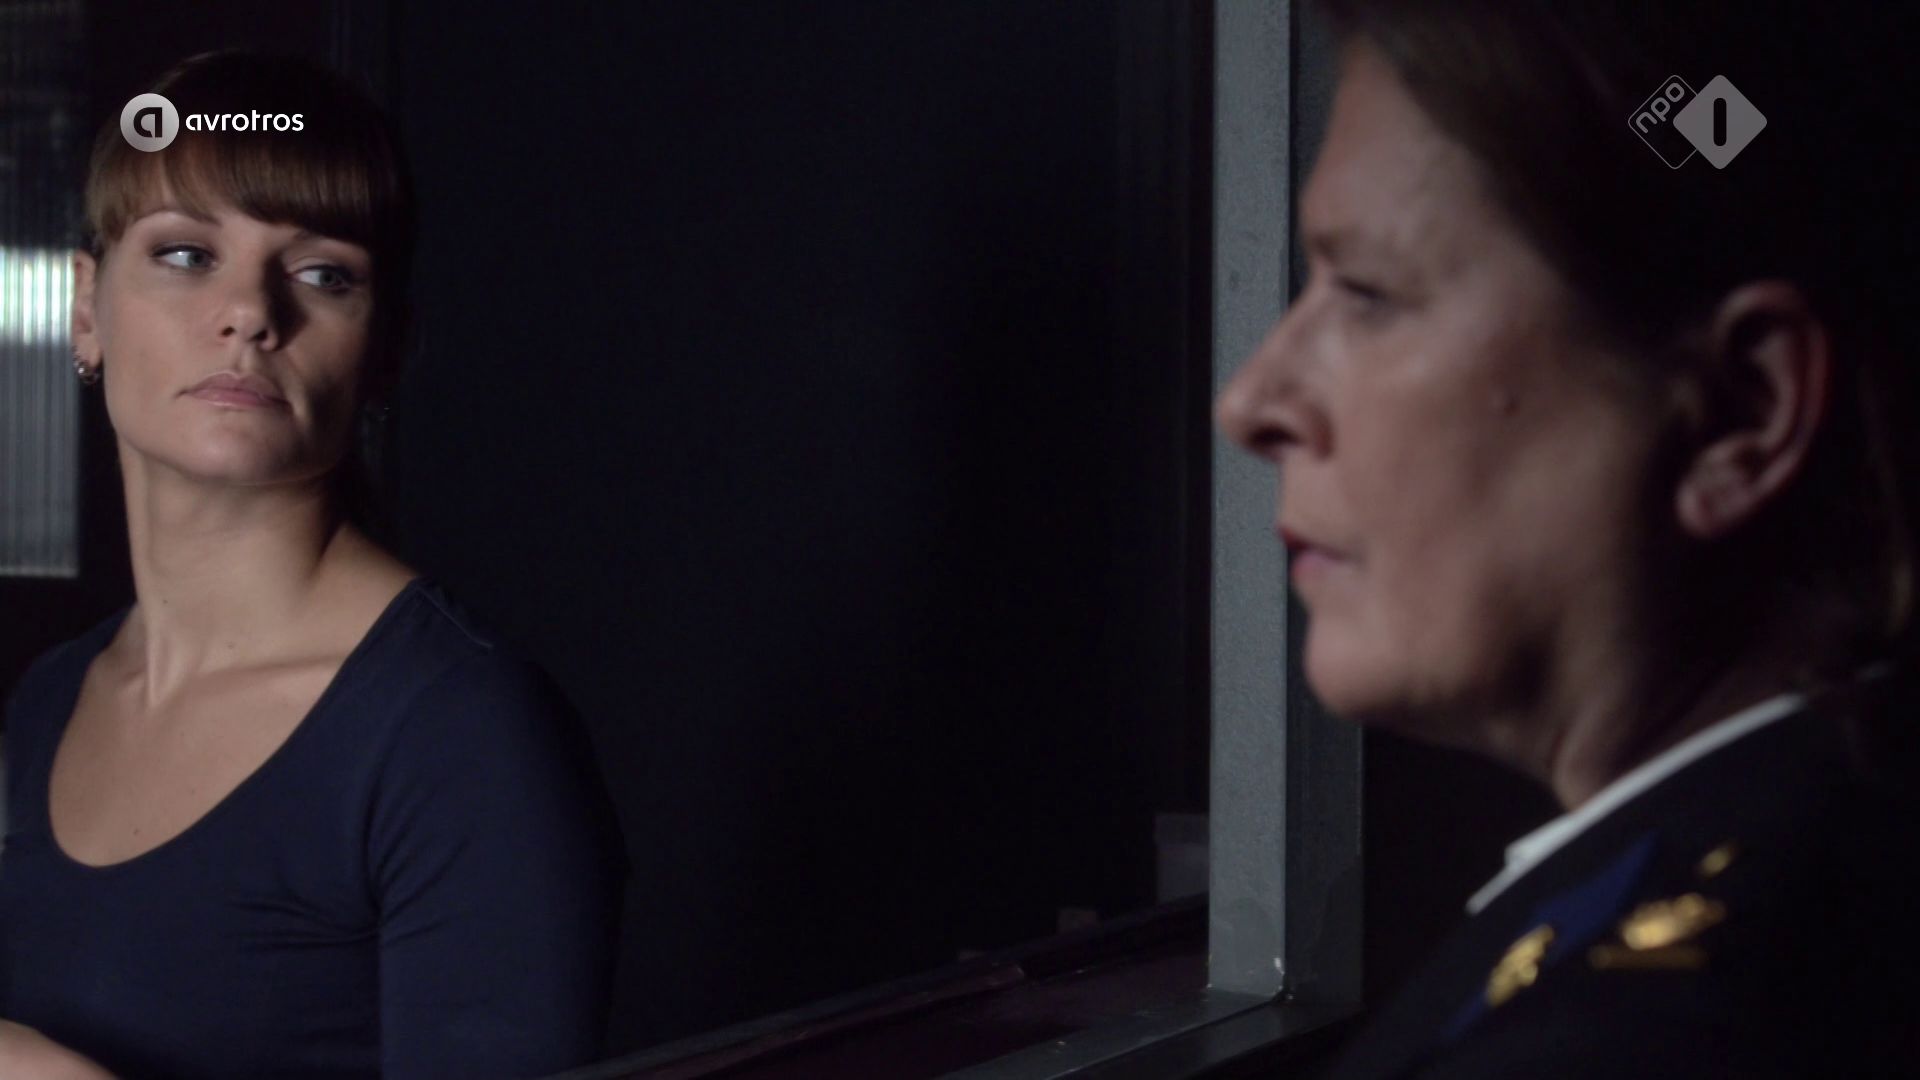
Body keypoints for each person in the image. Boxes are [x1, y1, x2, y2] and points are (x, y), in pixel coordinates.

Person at [1215, 2, 1920, 1077]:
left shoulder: (1626, 1042)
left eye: (1369, 293)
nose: (1250, 402)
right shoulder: (1838, 856)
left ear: (1742, 411)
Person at [0, 52, 624, 1079]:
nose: (249, 311)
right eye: (186, 254)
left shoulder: (458, 735)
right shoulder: (47, 703)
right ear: (83, 309)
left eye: (323, 274)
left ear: (386, 350)